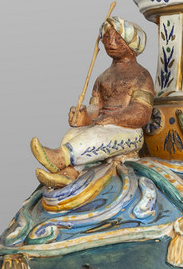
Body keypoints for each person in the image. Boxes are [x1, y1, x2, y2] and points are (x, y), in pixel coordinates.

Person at [31, 16, 155, 187]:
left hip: (128, 131)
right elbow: (96, 108)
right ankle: (69, 173)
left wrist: (113, 119)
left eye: (118, 38)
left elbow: (142, 113)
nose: (111, 42)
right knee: (73, 134)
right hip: (101, 125)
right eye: (107, 37)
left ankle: (61, 157)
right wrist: (84, 116)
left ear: (133, 44)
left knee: (96, 136)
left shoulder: (141, 76)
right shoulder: (103, 77)